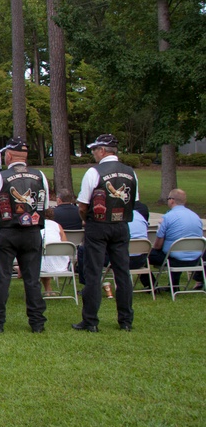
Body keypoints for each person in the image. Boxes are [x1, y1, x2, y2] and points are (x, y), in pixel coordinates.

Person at [0, 136, 49, 333]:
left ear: (9, 155)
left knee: (2, 277)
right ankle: (37, 322)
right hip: (32, 232)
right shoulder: (40, 176)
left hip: (7, 231)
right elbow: (43, 206)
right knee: (32, 279)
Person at [74, 134, 138, 332]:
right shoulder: (130, 172)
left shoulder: (94, 172)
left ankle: (91, 320)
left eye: (95, 150)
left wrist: (86, 218)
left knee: (93, 272)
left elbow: (83, 204)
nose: (93, 153)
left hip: (98, 224)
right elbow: (133, 201)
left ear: (102, 150)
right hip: (121, 224)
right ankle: (126, 320)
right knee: (122, 273)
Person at [149, 188, 204, 292]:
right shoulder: (196, 217)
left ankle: (150, 285)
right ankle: (173, 285)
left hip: (175, 259)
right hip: (195, 259)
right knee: (174, 251)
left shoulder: (167, 217)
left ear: (172, 200)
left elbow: (157, 245)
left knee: (146, 255)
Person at [39, 208, 69, 297]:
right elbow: (65, 244)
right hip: (60, 263)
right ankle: (48, 289)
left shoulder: (38, 226)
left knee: (42, 256)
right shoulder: (57, 226)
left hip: (41, 262)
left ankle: (47, 289)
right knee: (46, 256)